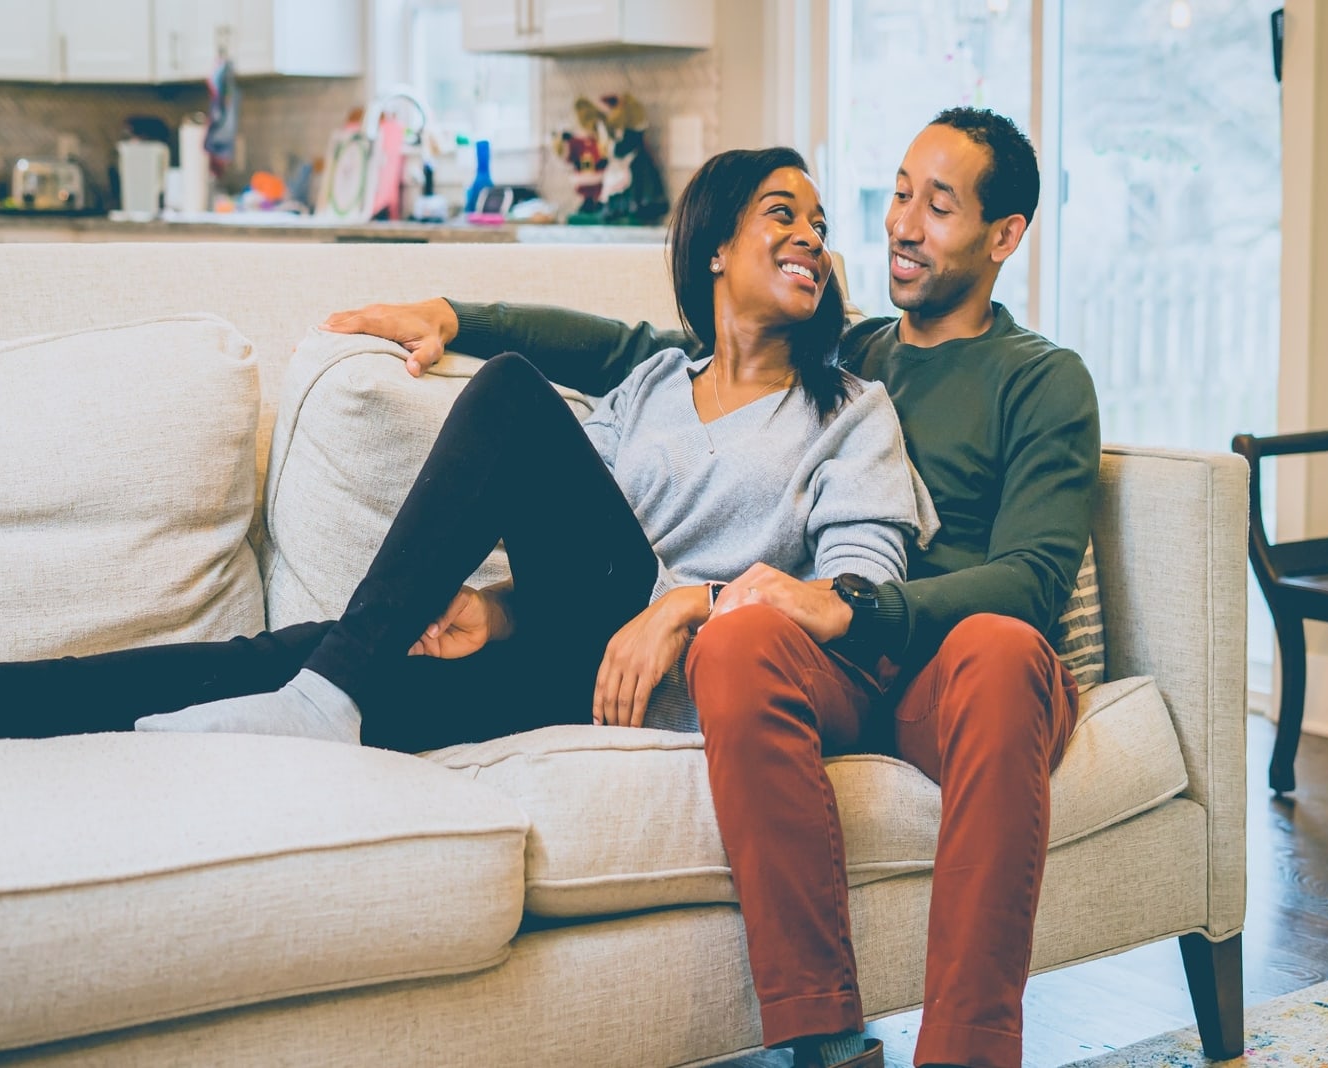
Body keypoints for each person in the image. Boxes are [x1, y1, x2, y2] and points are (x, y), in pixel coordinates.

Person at [0, 149, 931, 1068]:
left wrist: (688, 607)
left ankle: (328, 692)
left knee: (505, 395)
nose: (814, 238)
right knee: (275, 651)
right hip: (570, 661)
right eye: (783, 213)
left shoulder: (848, 409)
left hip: (703, 684)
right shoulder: (645, 389)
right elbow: (568, 548)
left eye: (822, 224)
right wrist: (494, 612)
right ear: (716, 245)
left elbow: (855, 590)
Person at [320, 108, 1100, 1068]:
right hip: (847, 666)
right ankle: (818, 1041)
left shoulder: (1042, 379)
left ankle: (969, 1053)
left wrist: (851, 606)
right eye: (899, 194)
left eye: (938, 207)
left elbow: (1032, 580)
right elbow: (631, 348)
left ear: (1005, 235)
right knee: (737, 637)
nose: (903, 224)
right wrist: (457, 317)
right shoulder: (848, 350)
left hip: (956, 674)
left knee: (999, 645)